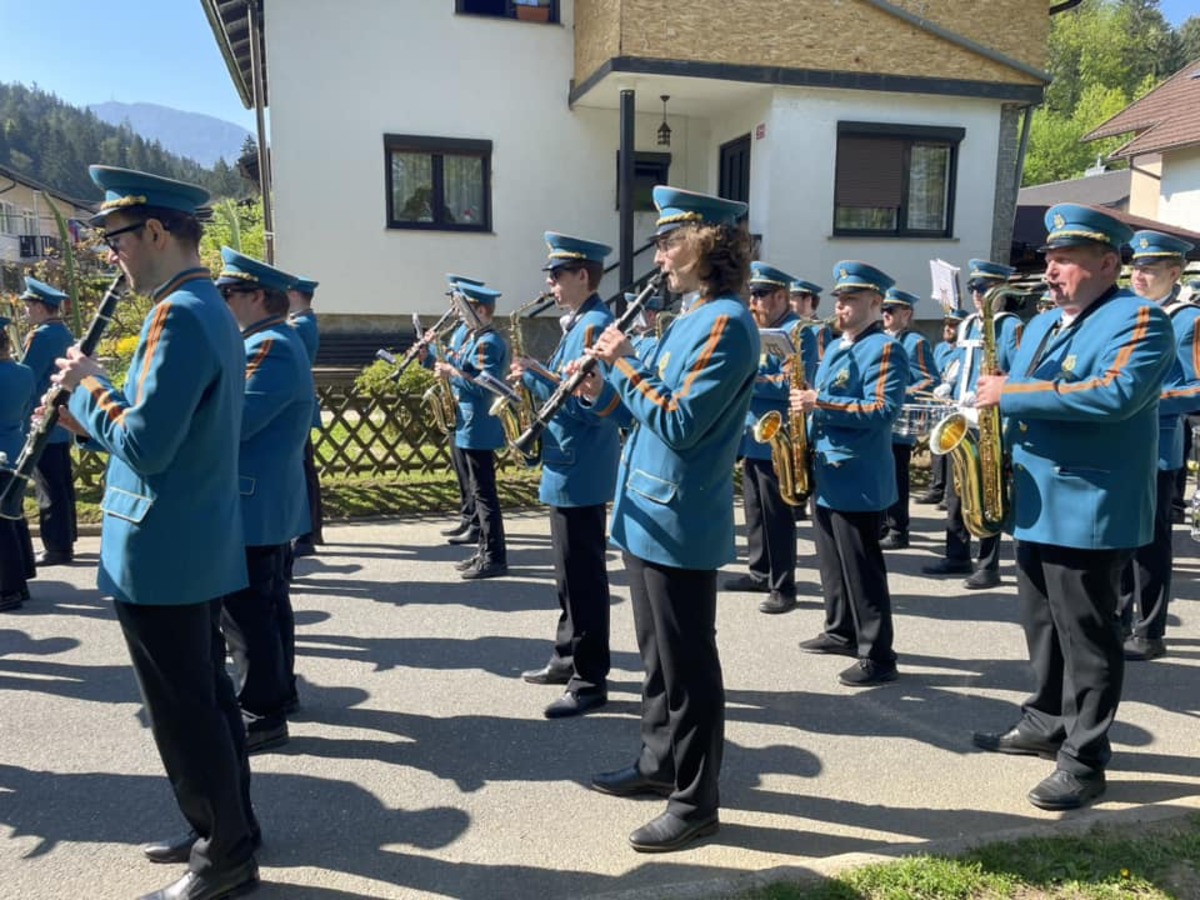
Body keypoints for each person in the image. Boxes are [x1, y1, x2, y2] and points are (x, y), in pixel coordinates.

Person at [53, 165, 260, 900]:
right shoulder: (206, 308)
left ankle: (222, 853)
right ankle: (228, 827)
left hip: (163, 548)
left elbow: (146, 443)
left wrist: (87, 384)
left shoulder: (178, 314)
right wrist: (89, 422)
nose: (113, 256)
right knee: (208, 701)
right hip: (189, 540)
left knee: (185, 713)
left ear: (155, 232)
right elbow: (169, 432)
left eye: (116, 240)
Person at [971, 203, 1173, 811]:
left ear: (1108, 264)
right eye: (1049, 259)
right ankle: (1044, 722)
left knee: (1088, 637)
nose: (1051, 270)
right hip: (1036, 500)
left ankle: (1085, 759)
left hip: (1090, 504)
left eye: (1065, 259)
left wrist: (1013, 393)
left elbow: (1114, 395)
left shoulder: (1140, 319)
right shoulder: (1040, 325)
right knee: (1042, 625)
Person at [582, 186, 758, 853]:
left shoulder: (726, 324)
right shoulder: (689, 318)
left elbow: (682, 422)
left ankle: (696, 801)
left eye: (669, 241)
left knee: (688, 669)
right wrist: (606, 388)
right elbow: (646, 410)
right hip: (646, 510)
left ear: (708, 244)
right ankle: (659, 762)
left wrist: (625, 362)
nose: (659, 255)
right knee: (657, 659)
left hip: (679, 518)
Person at [514, 233, 624, 718]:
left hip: (581, 466)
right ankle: (566, 657)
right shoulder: (579, 322)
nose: (550, 284)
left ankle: (589, 679)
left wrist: (534, 375)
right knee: (567, 575)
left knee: (583, 578)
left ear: (583, 275)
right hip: (567, 465)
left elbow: (587, 405)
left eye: (557, 275)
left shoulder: (594, 325)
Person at [792, 261, 908, 687]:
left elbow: (882, 410)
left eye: (851, 299)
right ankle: (841, 629)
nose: (840, 306)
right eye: (839, 298)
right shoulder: (838, 346)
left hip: (857, 474)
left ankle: (878, 655)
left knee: (862, 570)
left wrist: (819, 403)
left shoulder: (885, 349)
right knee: (832, 563)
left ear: (876, 303)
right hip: (826, 470)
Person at [217, 247, 314, 752]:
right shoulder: (269, 340)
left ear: (257, 297)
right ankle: (278, 693)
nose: (221, 303)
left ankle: (261, 712)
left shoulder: (269, 345)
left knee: (248, 613)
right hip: (263, 497)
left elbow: (237, 422)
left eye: (228, 293)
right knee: (268, 605)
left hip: (253, 499)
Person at [1120, 230, 1199, 662]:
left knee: (1150, 545)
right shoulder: (1126, 314)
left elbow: (1197, 390)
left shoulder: (1188, 320)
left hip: (1157, 446)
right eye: (1136, 266)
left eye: (1150, 269)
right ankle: (1117, 619)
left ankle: (1149, 631)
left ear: (1175, 273)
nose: (1139, 275)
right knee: (1117, 541)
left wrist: (1142, 399)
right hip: (1115, 445)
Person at [922, 259, 1022, 590]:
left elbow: (1019, 373)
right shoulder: (967, 324)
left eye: (984, 288)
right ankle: (957, 554)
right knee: (957, 491)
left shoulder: (1010, 326)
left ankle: (988, 565)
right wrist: (950, 386)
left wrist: (992, 389)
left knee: (989, 492)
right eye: (974, 288)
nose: (978, 294)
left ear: (1001, 292)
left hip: (991, 419)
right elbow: (961, 362)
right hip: (963, 416)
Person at [723, 261, 813, 614]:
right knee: (755, 511)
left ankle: (783, 585)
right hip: (753, 434)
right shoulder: (758, 329)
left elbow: (793, 384)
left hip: (779, 437)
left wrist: (748, 382)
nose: (754, 302)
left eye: (761, 295)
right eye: (752, 294)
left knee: (778, 518)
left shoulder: (797, 332)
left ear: (780, 296)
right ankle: (760, 572)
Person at [434, 281, 509, 579]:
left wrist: (452, 373)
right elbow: (460, 366)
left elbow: (484, 385)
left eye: (467, 310)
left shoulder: (488, 342)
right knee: (479, 494)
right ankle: (484, 551)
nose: (461, 316)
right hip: (469, 425)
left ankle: (495, 556)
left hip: (479, 425)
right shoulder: (475, 338)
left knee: (485, 495)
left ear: (482, 310)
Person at [18, 277, 77, 566]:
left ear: (41, 307)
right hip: (61, 419)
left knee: (48, 487)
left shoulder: (41, 336)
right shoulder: (63, 333)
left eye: (29, 305)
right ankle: (66, 538)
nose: (26, 310)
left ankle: (56, 546)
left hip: (42, 419)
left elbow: (27, 374)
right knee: (61, 483)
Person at [426, 274, 485, 546]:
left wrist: (446, 364)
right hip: (458, 406)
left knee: (475, 476)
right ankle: (468, 516)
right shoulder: (462, 331)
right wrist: (427, 357)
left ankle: (476, 523)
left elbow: (463, 369)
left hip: (469, 409)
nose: (453, 307)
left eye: (457, 301)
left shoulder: (476, 335)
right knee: (463, 470)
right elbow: (448, 361)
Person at [880, 288, 936, 549]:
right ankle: (881, 524)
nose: (885, 314)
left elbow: (930, 379)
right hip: (880, 420)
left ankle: (898, 529)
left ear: (907, 314)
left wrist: (904, 391)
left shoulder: (915, 342)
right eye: (883, 309)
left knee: (897, 477)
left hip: (901, 420)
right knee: (880, 475)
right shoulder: (879, 338)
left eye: (891, 310)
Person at [0, 317, 35, 612]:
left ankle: (7, 589)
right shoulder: (24, 372)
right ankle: (21, 579)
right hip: (16, 448)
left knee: (2, 525)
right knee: (14, 515)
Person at [288, 275, 324, 558]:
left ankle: (307, 532)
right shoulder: (304, 322)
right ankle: (312, 529)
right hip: (302, 402)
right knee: (305, 468)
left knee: (303, 470)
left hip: (296, 405)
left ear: (294, 296)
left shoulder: (299, 326)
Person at [916, 308, 967, 505]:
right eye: (946, 324)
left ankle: (950, 493)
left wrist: (950, 387)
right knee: (936, 448)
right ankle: (936, 488)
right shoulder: (939, 348)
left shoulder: (966, 350)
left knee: (952, 450)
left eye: (953, 325)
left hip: (955, 406)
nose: (948, 328)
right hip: (938, 405)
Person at [789, 278, 833, 376]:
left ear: (808, 300)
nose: (789, 303)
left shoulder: (821, 329)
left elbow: (824, 364)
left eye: (792, 298)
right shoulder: (792, 326)